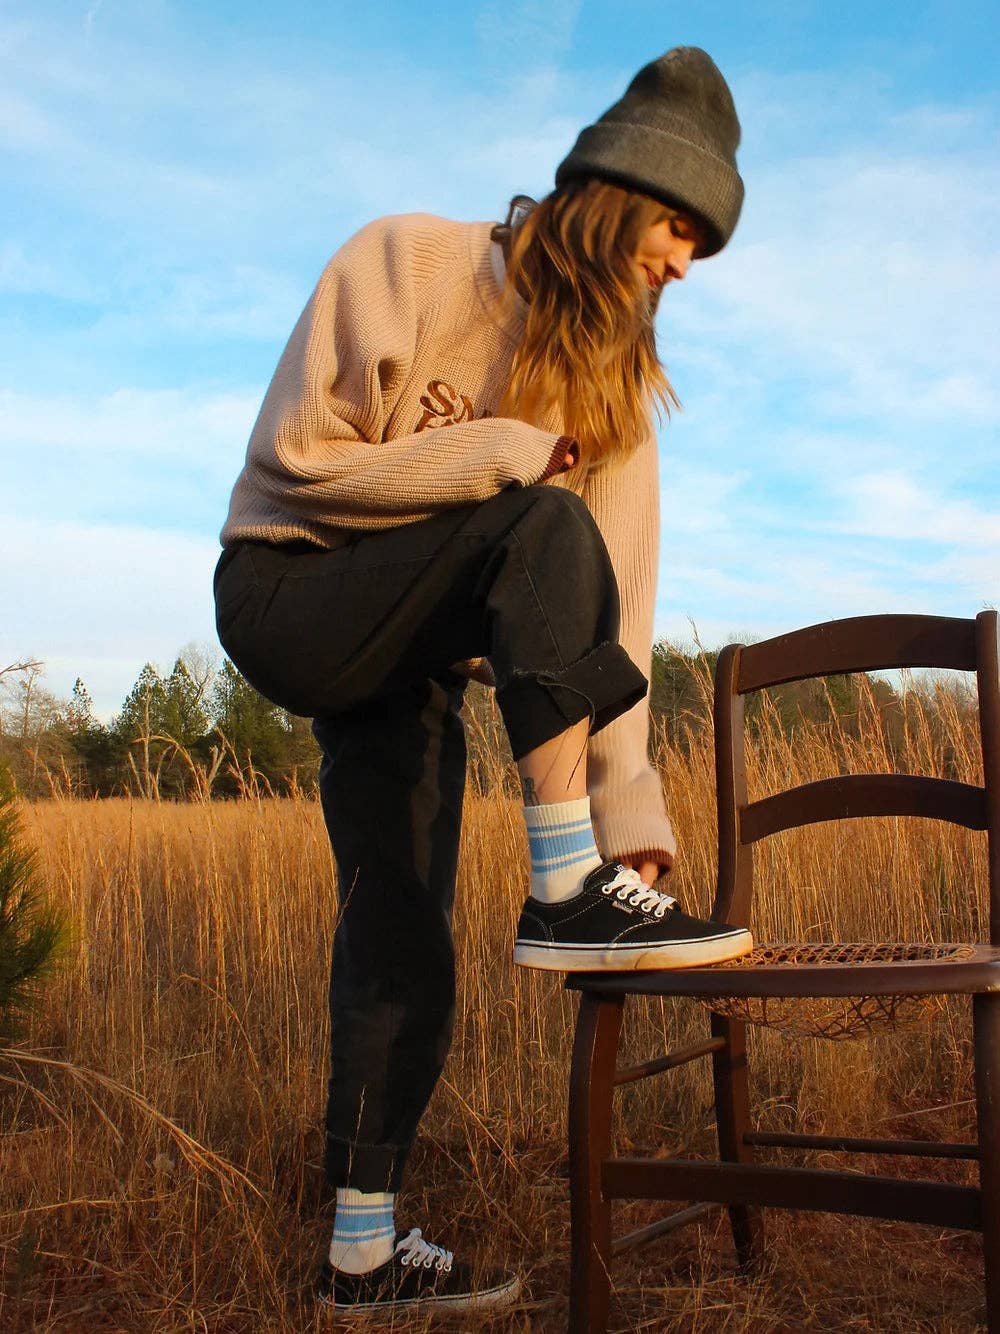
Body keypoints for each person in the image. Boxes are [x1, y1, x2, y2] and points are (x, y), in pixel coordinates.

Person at [214, 44, 749, 1317]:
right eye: (679, 225)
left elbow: (604, 615)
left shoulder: (611, 403)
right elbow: (295, 463)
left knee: (402, 925)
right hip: (289, 587)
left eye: (702, 251)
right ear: (618, 190)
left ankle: (360, 1246)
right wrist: (502, 454)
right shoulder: (410, 261)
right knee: (542, 517)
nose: (682, 264)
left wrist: (633, 828)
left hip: (412, 662)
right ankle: (560, 885)